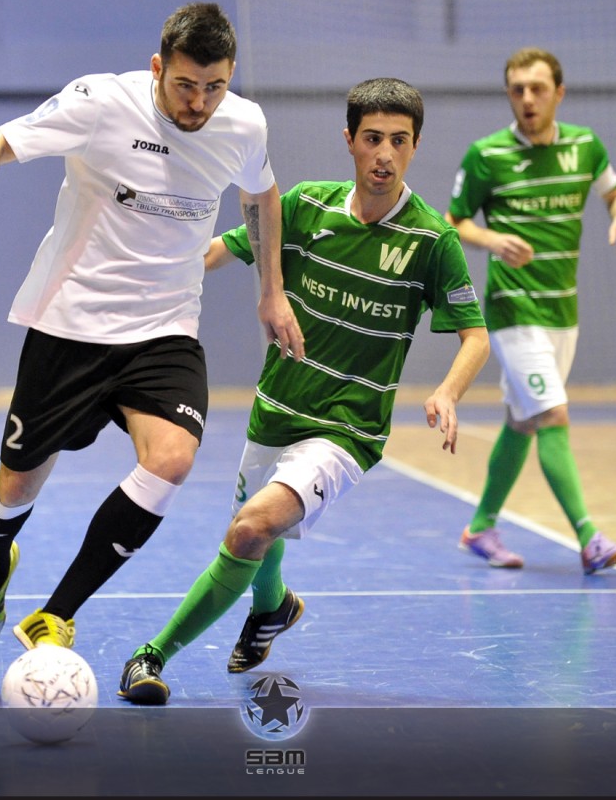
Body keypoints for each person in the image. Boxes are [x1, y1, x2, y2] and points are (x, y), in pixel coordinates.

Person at [0, 1, 304, 651]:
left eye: (215, 86)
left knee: (172, 460)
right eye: (185, 85)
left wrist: (271, 292)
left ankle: (56, 613)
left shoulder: (244, 123)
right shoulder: (101, 103)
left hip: (164, 327)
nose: (199, 103)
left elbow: (261, 194)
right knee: (18, 483)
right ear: (157, 67)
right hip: (70, 324)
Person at [116, 77, 490, 705]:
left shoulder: (432, 241)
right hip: (276, 409)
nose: (385, 155)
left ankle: (151, 655)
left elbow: (475, 336)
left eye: (399, 141)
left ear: (415, 146)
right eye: (373, 138)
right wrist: (145, 276)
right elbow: (218, 250)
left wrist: (448, 392)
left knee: (248, 530)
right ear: (349, 140)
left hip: (347, 430)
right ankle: (274, 608)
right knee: (260, 538)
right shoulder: (306, 206)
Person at [446, 48, 616, 574]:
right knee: (552, 415)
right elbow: (453, 221)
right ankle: (590, 539)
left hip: (562, 312)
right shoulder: (487, 155)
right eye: (517, 90)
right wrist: (492, 240)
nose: (527, 99)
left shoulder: (585, 146)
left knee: (522, 421)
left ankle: (481, 526)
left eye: (538, 88)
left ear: (559, 93)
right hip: (513, 310)